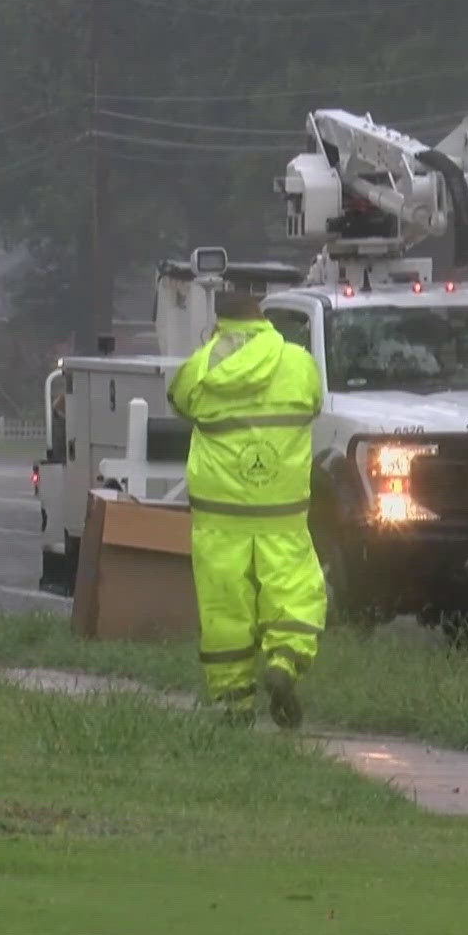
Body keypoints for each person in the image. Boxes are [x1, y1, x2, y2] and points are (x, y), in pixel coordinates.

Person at [167, 286, 325, 728]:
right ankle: (285, 660)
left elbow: (179, 401)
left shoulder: (201, 367)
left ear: (218, 322)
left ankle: (235, 701)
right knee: (294, 589)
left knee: (225, 609)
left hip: (220, 514)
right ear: (263, 316)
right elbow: (313, 404)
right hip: (282, 509)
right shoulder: (298, 363)